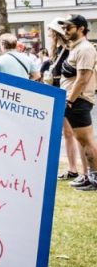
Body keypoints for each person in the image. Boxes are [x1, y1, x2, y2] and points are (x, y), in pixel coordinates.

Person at [59, 15, 97, 191]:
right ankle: (87, 176)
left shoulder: (85, 49)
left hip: (78, 101)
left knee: (87, 141)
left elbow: (83, 78)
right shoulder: (76, 48)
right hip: (74, 100)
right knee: (81, 141)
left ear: (81, 28)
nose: (65, 30)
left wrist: (70, 99)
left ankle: (94, 178)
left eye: (69, 27)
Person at [45, 19, 84, 181]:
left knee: (72, 133)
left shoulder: (68, 51)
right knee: (67, 133)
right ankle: (73, 168)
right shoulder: (57, 51)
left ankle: (77, 169)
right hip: (57, 92)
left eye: (50, 32)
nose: (48, 35)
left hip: (66, 93)